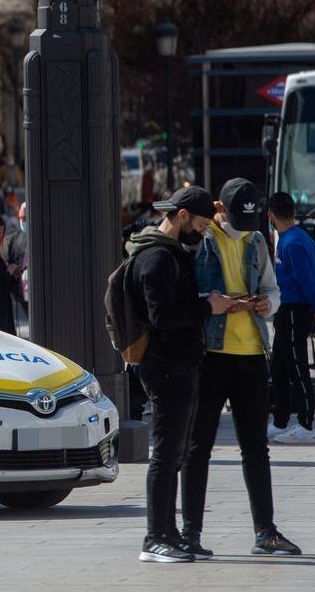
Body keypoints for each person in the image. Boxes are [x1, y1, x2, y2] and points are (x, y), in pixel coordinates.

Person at [181, 178, 300, 559]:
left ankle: (265, 531)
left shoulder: (257, 240)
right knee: (198, 446)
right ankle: (191, 532)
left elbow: (272, 288)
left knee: (256, 447)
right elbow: (186, 293)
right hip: (211, 354)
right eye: (237, 219)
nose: (244, 228)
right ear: (221, 209)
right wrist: (215, 303)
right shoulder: (202, 237)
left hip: (251, 351)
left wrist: (266, 304)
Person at [126, 186, 236, 563]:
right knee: (165, 454)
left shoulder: (169, 253)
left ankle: (170, 534)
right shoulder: (157, 258)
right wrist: (208, 306)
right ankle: (154, 538)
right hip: (166, 366)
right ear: (183, 216)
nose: (203, 232)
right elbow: (163, 318)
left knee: (174, 454)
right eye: (202, 225)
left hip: (179, 365)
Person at [266, 192, 315, 445]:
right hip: (287, 310)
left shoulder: (290, 242)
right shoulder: (301, 237)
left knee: (297, 366)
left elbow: (304, 278)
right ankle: (280, 420)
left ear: (271, 214)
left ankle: (305, 424)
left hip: (294, 309)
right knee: (279, 367)